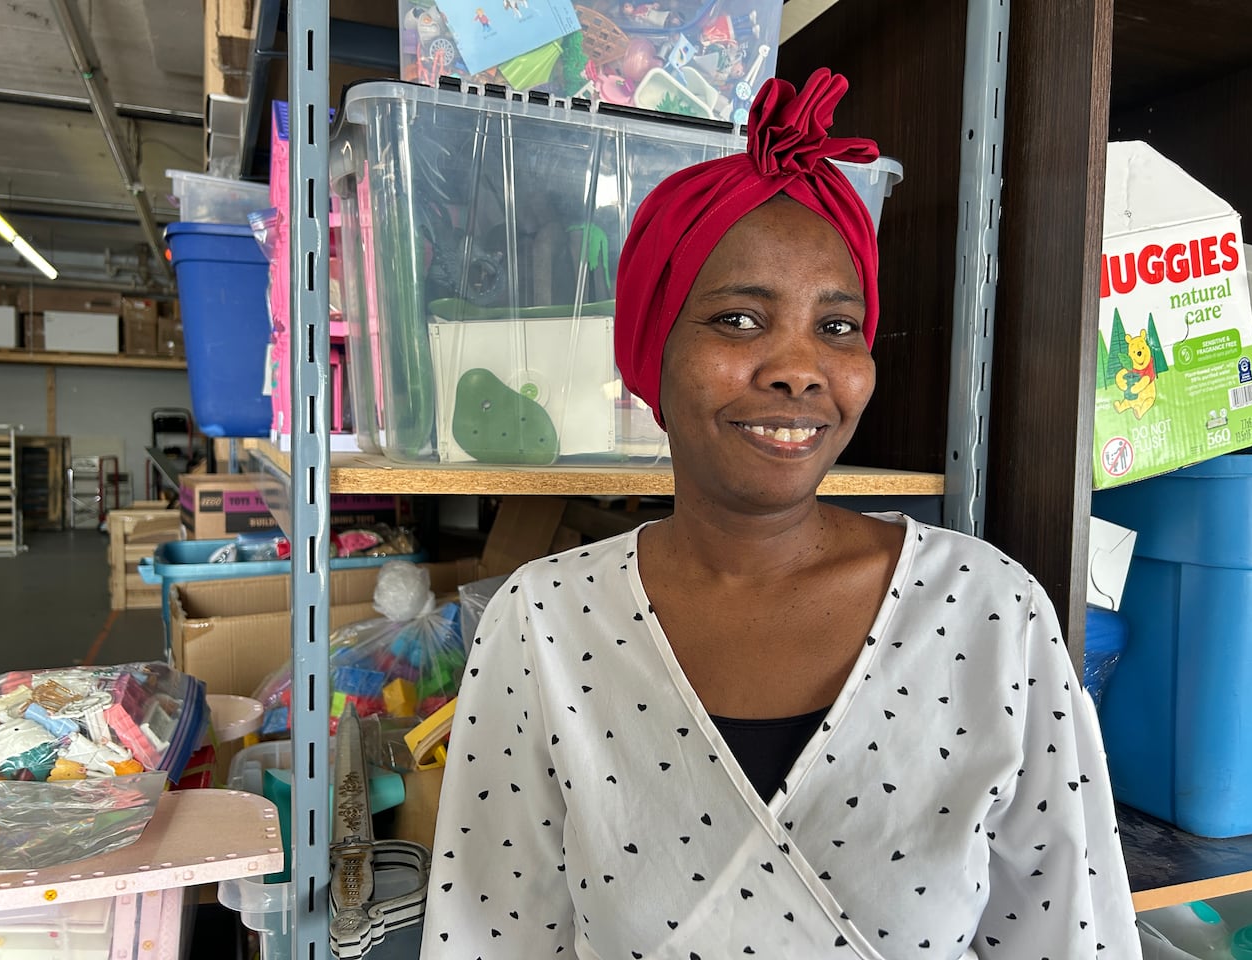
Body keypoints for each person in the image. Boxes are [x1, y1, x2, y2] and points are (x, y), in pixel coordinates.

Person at [419, 68, 1142, 959]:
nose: (799, 369)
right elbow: (491, 937)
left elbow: (1073, 936)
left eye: (837, 329)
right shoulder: (543, 626)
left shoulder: (992, 614)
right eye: (737, 320)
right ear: (653, 353)